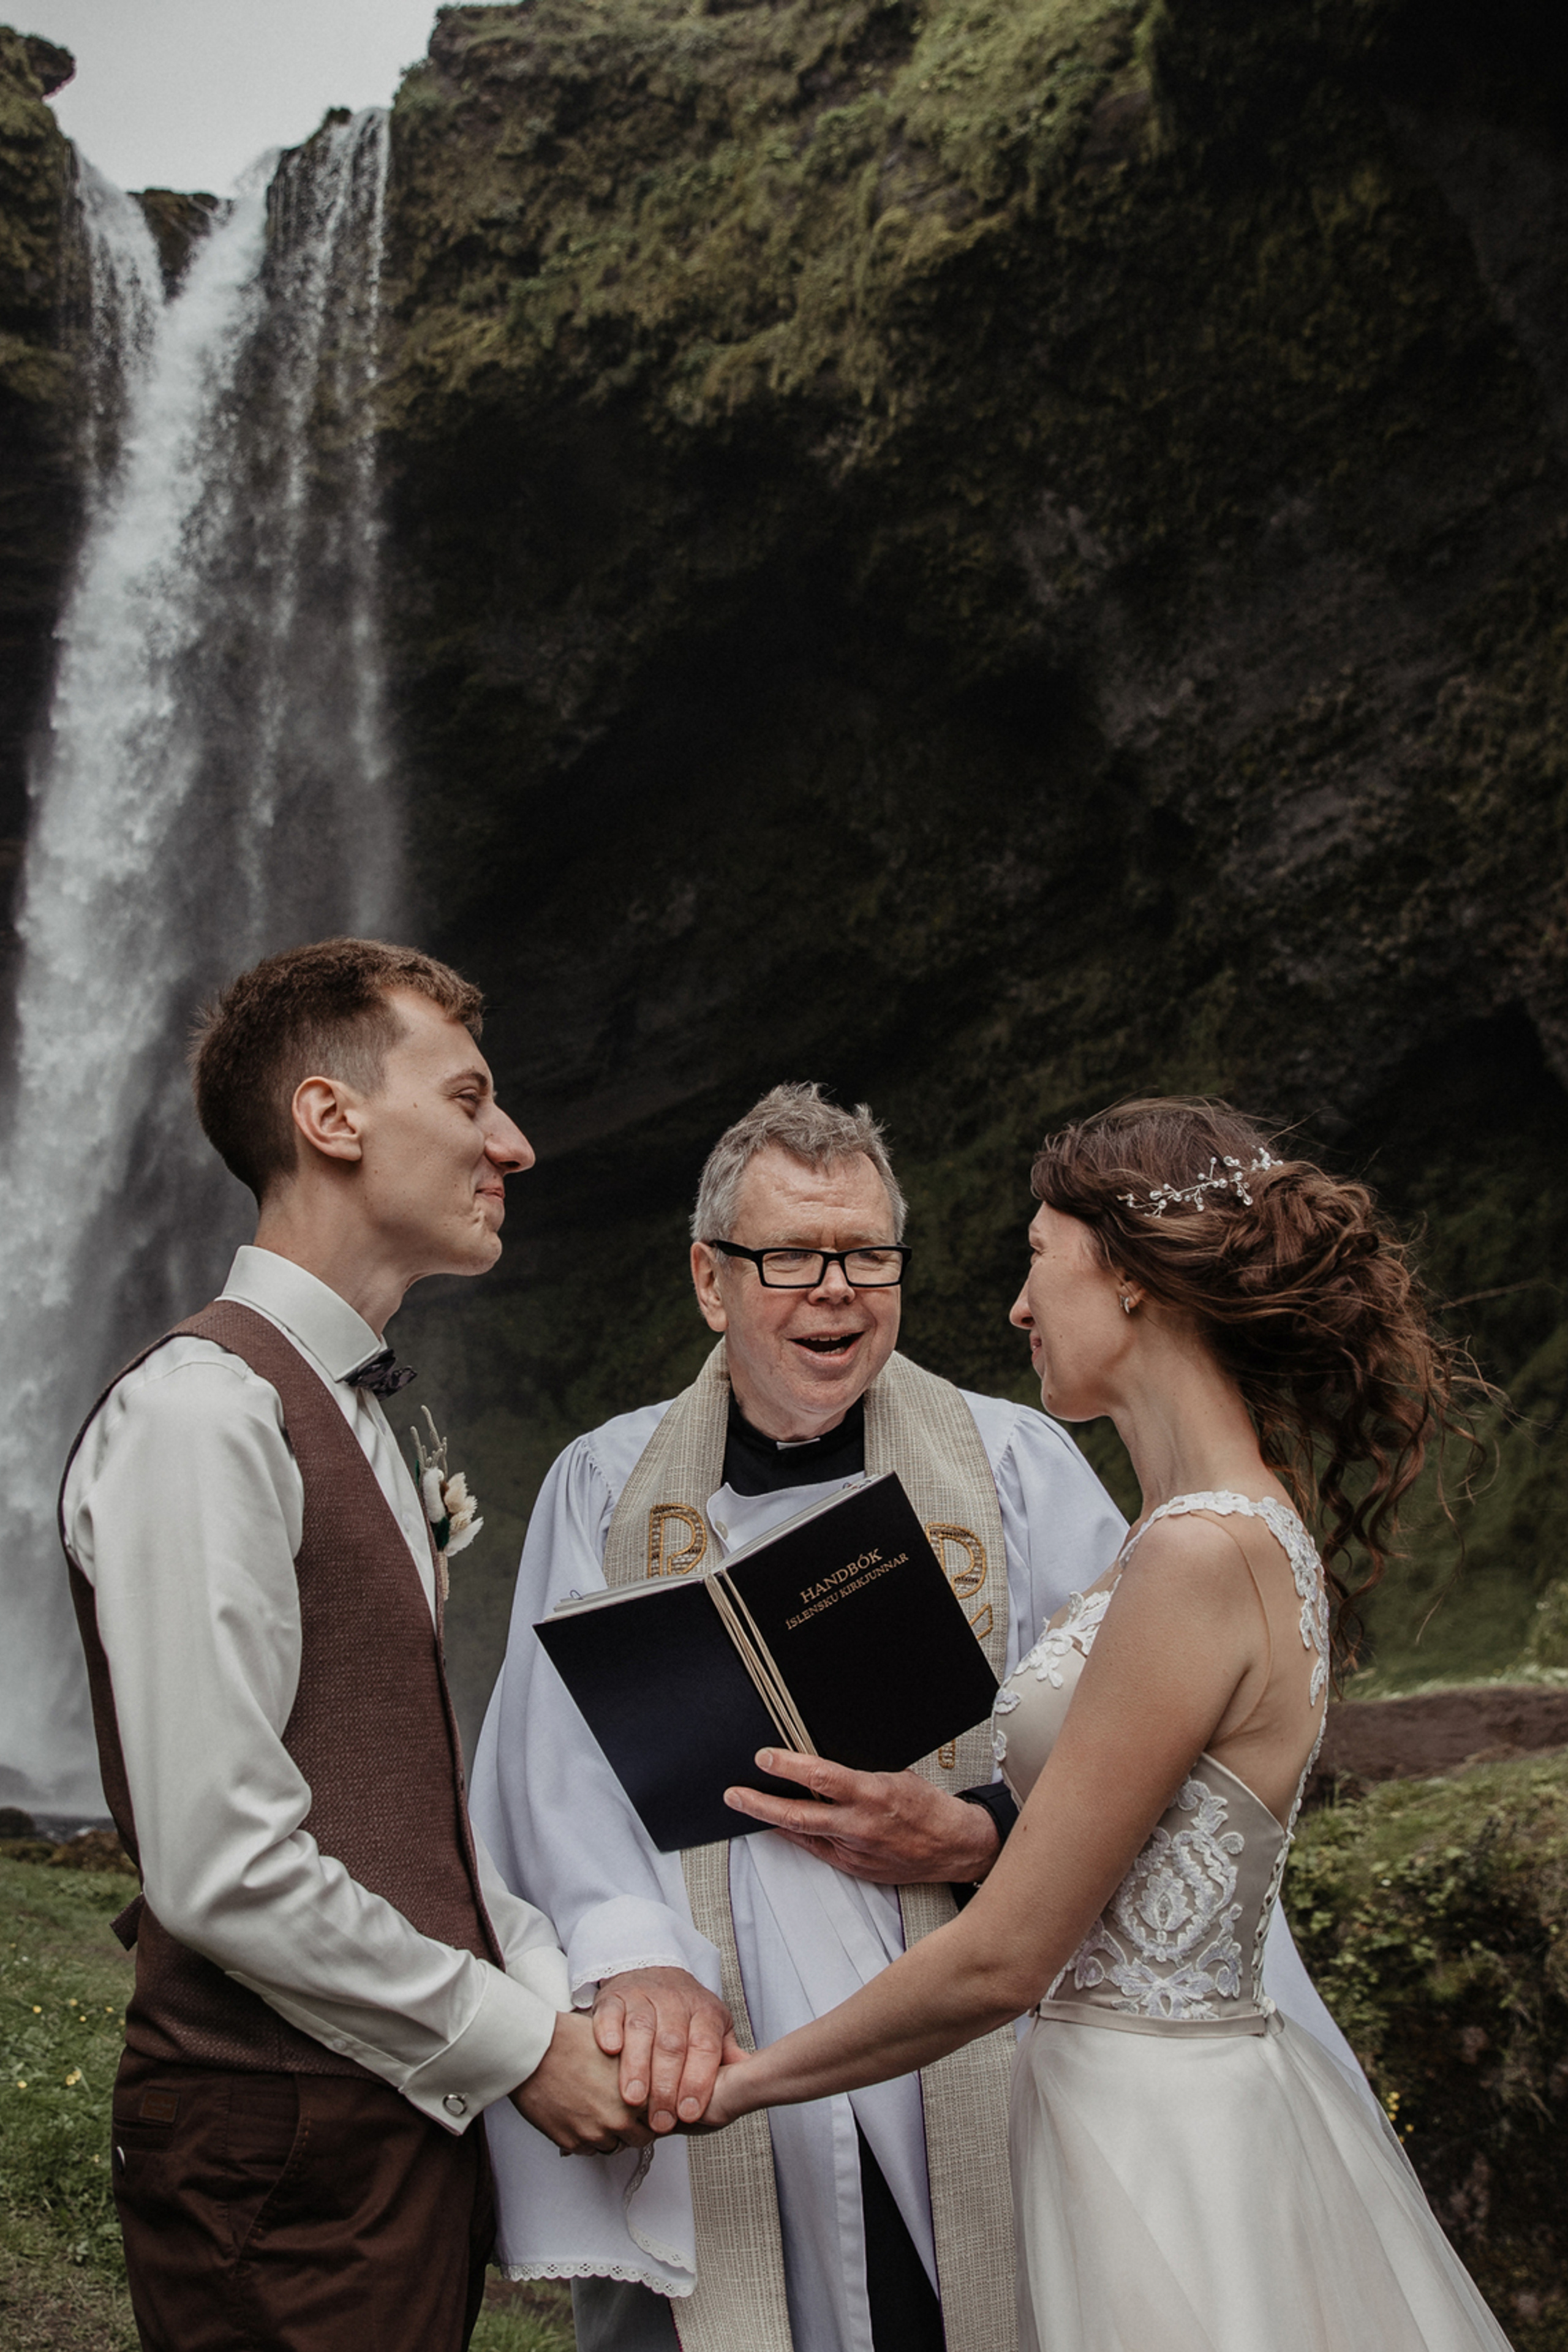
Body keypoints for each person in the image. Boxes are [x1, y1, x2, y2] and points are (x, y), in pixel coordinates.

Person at [470, 1084, 1365, 2352]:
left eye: (867, 1256)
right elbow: (548, 1768)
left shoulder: (1009, 1463)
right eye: (790, 1256)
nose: (835, 1289)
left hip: (957, 2008)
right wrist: (640, 1957)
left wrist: (975, 1828)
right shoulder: (608, 1485)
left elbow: (1148, 1751)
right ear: (709, 1279)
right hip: (712, 1983)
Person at [700, 1097, 1512, 2352]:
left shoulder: (1195, 1556)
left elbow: (1006, 1955)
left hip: (1155, 2136)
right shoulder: (1193, 1529)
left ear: (1127, 1279)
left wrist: (737, 2084)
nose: (1018, 1309)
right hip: (1149, 2097)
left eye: (1037, 1260)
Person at [59, 938, 649, 2352]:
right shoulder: (203, 1415)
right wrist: (522, 2047)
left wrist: (562, 1997)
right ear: (331, 1121)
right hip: (279, 2145)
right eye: (468, 1100)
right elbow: (221, 1863)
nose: (510, 1141)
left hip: (383, 2128)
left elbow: (395, 1806)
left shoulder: (364, 1414)